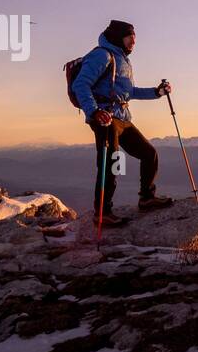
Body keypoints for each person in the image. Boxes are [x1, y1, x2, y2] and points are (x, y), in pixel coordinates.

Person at [71, 20, 174, 226]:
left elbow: (130, 92)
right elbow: (80, 84)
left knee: (148, 153)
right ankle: (102, 213)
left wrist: (157, 92)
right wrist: (94, 111)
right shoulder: (102, 55)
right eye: (130, 37)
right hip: (106, 118)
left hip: (122, 117)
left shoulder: (123, 60)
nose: (134, 41)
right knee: (112, 165)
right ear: (119, 37)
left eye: (135, 38)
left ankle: (146, 197)